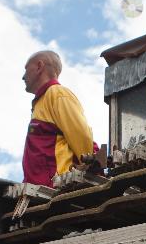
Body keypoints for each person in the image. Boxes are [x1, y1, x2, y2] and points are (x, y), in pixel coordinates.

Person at [21, 50, 96, 186]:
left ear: (39, 66)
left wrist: (92, 170)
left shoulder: (57, 93)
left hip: (56, 188)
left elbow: (81, 135)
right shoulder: (42, 101)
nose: (23, 76)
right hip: (40, 191)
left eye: (26, 69)